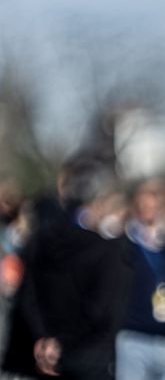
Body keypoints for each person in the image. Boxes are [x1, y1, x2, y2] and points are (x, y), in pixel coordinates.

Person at [4, 157, 127, 379]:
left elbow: (28, 296)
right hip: (85, 359)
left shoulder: (40, 240)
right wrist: (60, 345)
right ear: (98, 202)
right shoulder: (107, 251)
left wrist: (44, 339)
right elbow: (101, 311)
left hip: (40, 353)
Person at [116, 178, 165, 380]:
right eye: (145, 199)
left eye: (156, 199)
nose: (150, 205)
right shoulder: (123, 244)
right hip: (133, 340)